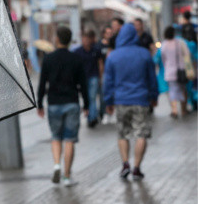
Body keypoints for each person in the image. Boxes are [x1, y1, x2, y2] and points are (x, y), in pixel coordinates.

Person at [103, 23, 158, 181]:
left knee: (123, 134)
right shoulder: (144, 54)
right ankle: (136, 168)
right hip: (141, 100)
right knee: (141, 134)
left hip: (121, 100)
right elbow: (151, 79)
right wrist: (153, 96)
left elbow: (108, 82)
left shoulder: (113, 56)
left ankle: (125, 164)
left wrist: (108, 101)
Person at [37, 26, 89, 187]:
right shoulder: (76, 59)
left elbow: (42, 84)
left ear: (57, 39)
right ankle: (67, 176)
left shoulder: (48, 59)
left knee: (56, 137)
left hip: (53, 103)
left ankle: (56, 165)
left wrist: (39, 104)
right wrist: (87, 104)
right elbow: (83, 84)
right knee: (69, 140)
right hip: (72, 102)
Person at [73, 29, 104, 127]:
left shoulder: (96, 50)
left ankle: (92, 118)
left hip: (93, 76)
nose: (85, 41)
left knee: (92, 97)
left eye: (87, 39)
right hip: (83, 78)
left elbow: (100, 63)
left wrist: (100, 76)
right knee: (87, 98)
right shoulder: (78, 52)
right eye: (84, 39)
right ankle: (92, 115)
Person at [160, 26, 186, 118]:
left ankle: (174, 110)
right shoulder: (178, 43)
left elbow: (163, 58)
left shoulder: (164, 44)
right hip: (180, 70)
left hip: (169, 71)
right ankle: (183, 109)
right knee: (182, 89)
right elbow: (183, 55)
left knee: (172, 91)